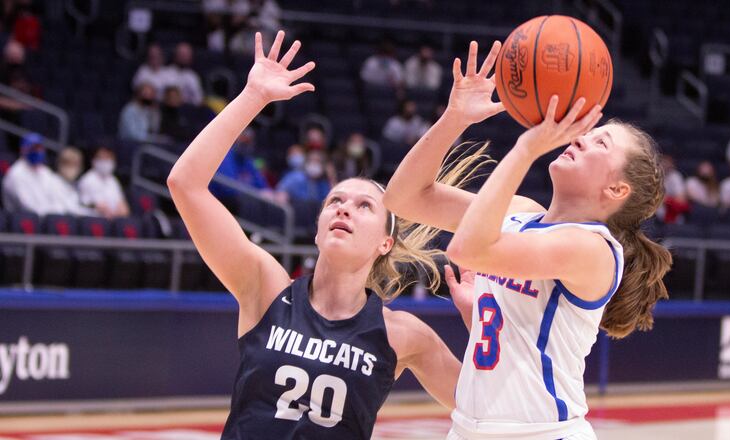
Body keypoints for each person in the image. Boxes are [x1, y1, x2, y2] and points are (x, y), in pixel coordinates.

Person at [167, 31, 464, 439]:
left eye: (365, 206)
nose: (344, 207)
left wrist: (489, 325)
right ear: (318, 229)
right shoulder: (265, 288)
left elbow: (487, 409)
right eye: (335, 200)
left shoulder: (402, 333)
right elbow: (186, 184)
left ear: (385, 243)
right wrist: (252, 96)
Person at [385, 41, 672, 439]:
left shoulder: (593, 249)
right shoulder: (519, 211)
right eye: (591, 133)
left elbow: (468, 249)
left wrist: (527, 147)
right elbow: (403, 199)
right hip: (469, 429)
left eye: (600, 143)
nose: (581, 138)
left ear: (616, 190)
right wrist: (455, 118)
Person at [1, 133, 75, 215]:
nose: (38, 151)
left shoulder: (44, 171)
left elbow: (59, 198)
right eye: (34, 148)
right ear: (23, 150)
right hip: (23, 222)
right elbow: (29, 207)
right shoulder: (16, 174)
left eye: (40, 148)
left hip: (48, 219)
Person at [78, 147, 130, 219]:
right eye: (101, 158)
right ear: (94, 161)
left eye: (108, 158)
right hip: (93, 221)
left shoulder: (113, 180)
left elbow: (124, 209)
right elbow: (88, 204)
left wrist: (117, 213)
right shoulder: (87, 179)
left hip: (112, 221)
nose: (105, 161)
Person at [51, 147, 94, 216]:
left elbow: (76, 208)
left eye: (75, 164)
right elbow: (64, 209)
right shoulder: (53, 181)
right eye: (68, 163)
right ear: (60, 164)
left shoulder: (73, 186)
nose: (72, 168)